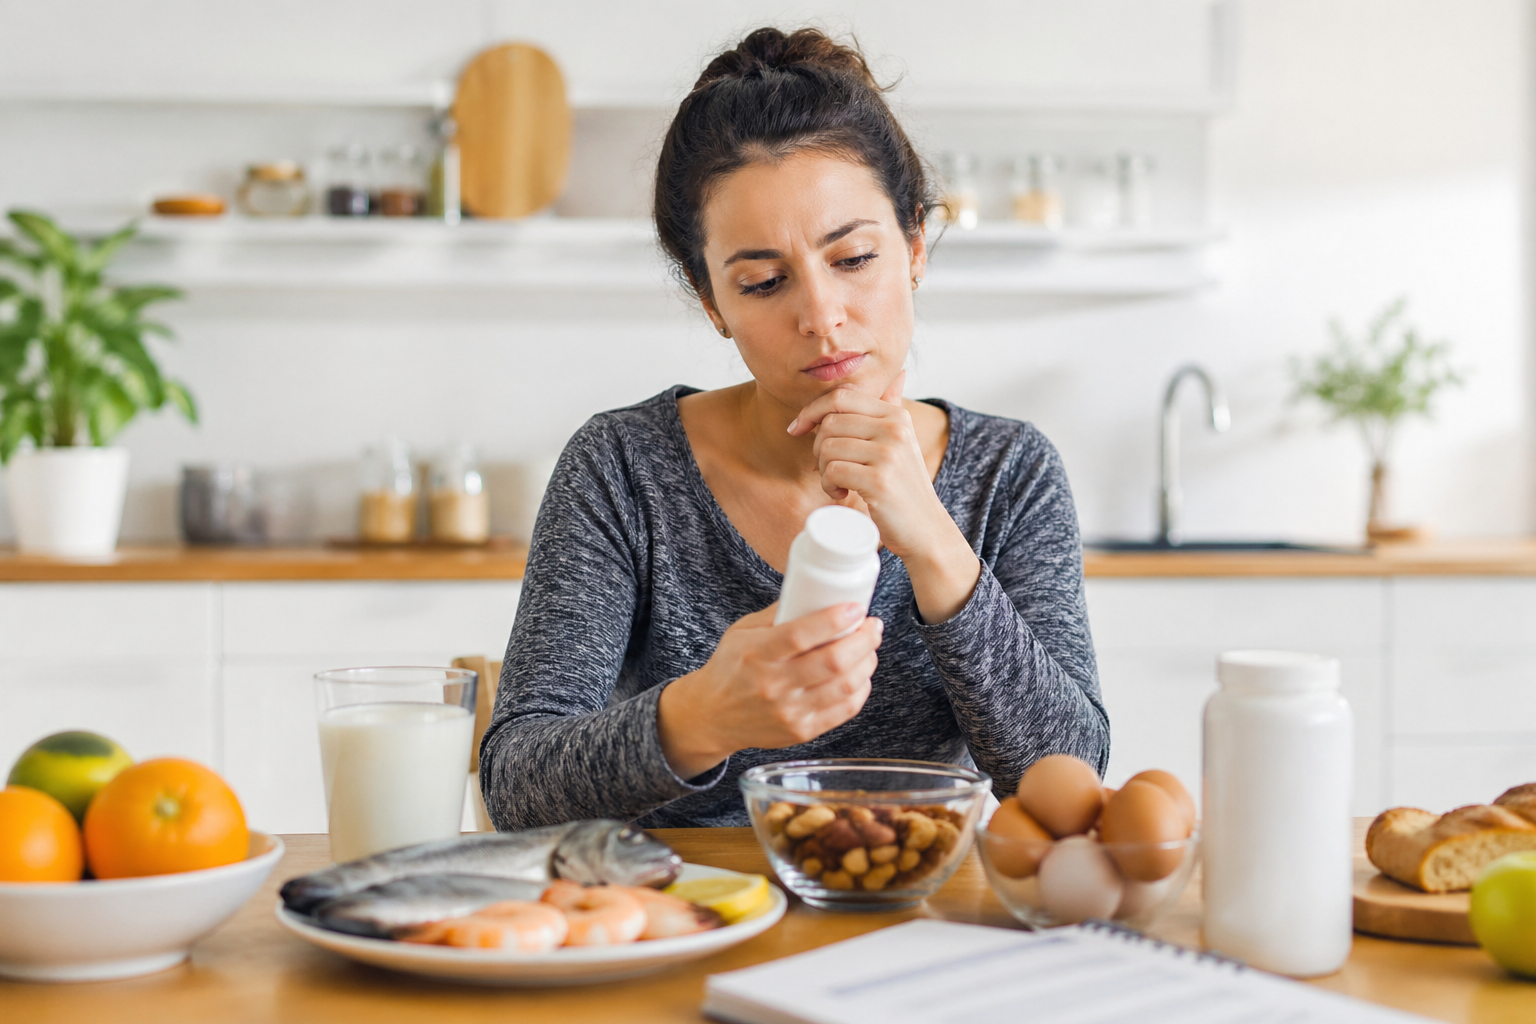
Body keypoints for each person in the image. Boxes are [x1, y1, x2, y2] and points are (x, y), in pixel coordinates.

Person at [480, 27, 1108, 829]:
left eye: (852, 260)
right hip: (681, 923)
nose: (821, 316)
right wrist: (701, 716)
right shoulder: (624, 468)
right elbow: (516, 787)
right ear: (712, 302)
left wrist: (934, 543)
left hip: (907, 921)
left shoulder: (1006, 472)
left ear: (915, 246)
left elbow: (1069, 779)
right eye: (764, 282)